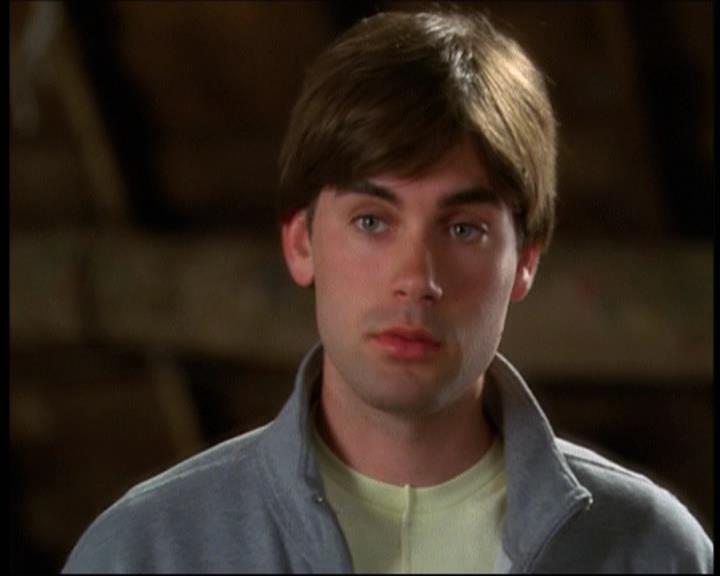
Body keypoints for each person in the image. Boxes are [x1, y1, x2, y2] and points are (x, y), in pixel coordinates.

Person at [63, 9, 713, 574]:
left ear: (524, 262)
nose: (417, 279)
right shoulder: (147, 551)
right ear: (301, 243)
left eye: (463, 229)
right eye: (372, 222)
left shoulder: (651, 551)